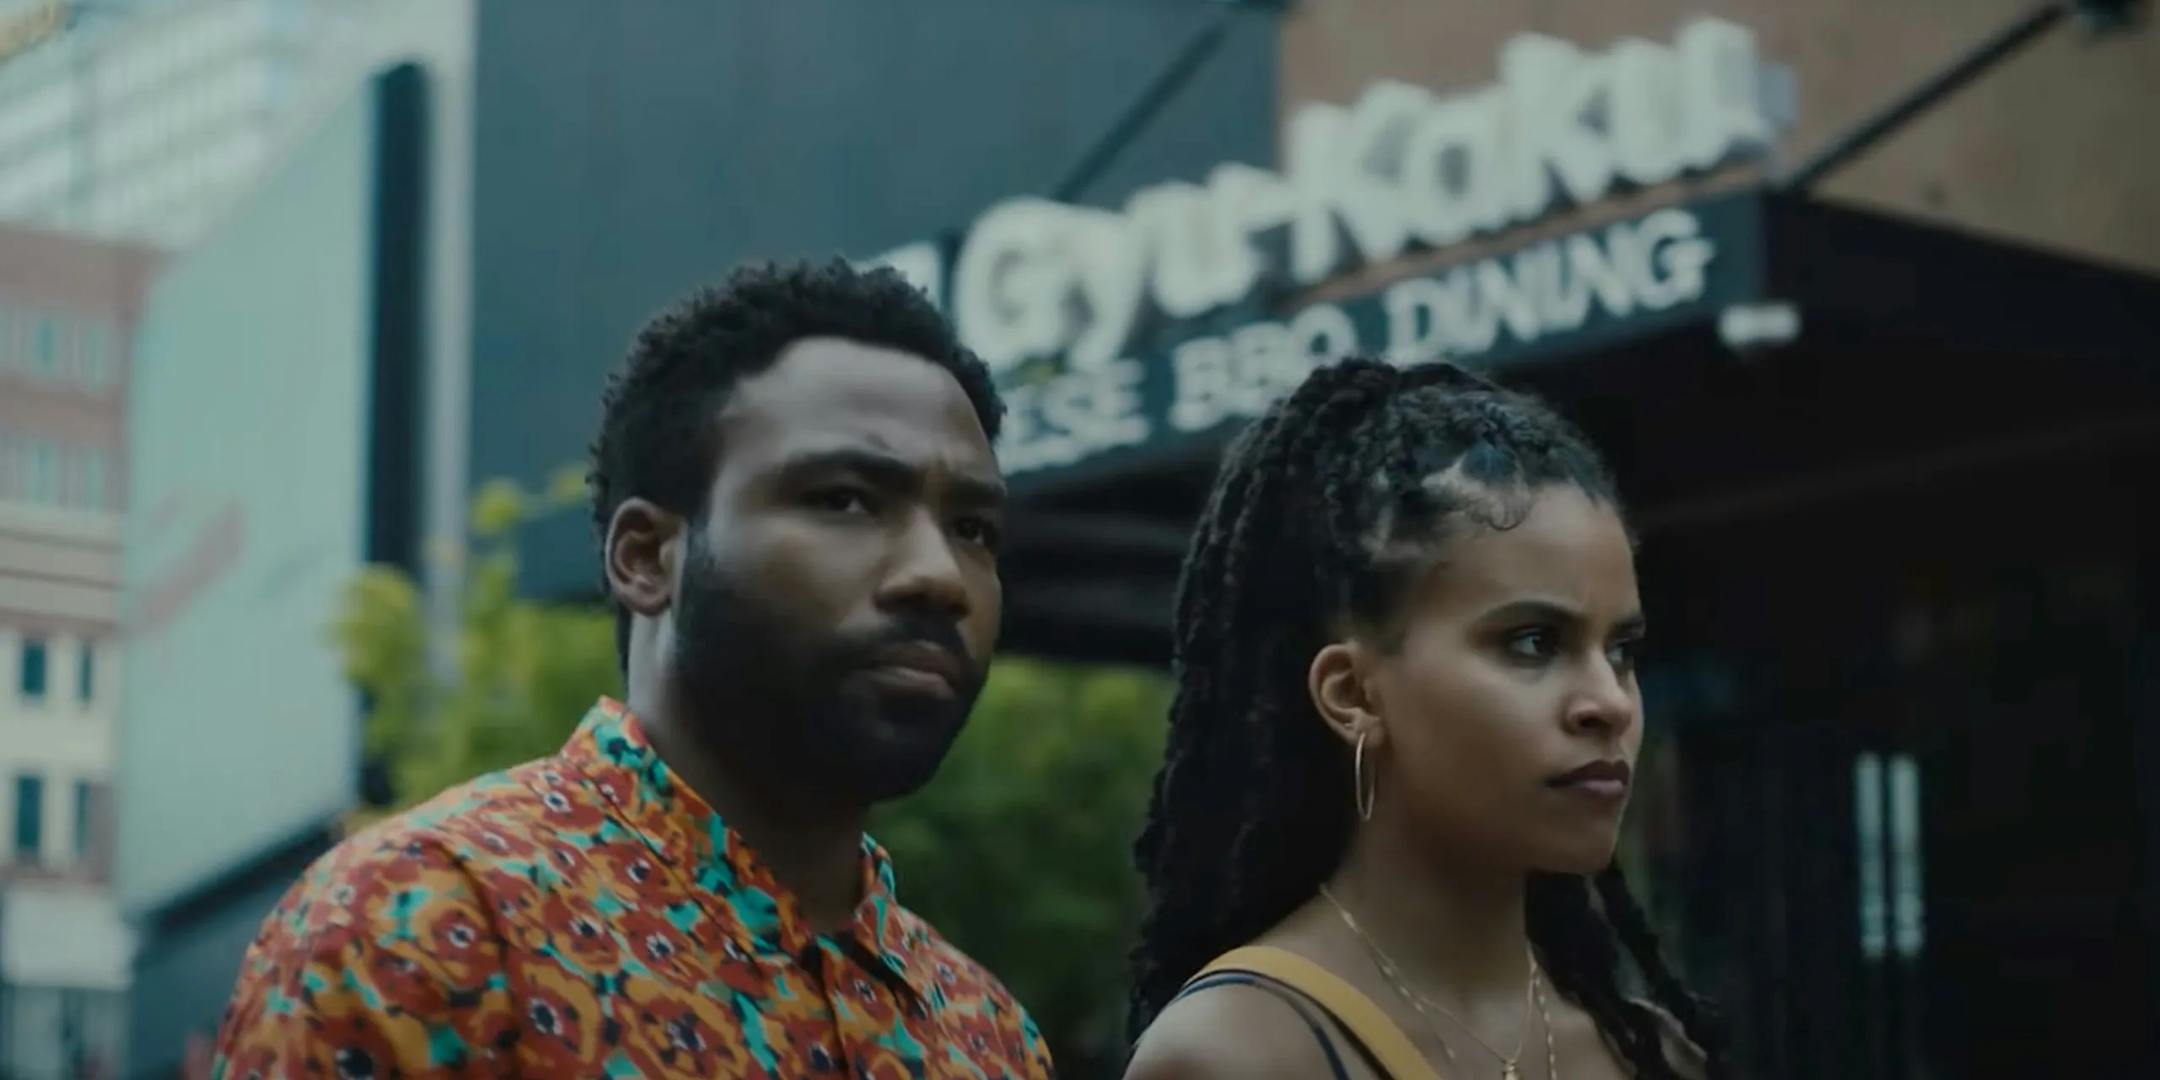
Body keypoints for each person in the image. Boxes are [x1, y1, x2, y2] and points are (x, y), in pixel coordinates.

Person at [214, 261, 1055, 1079]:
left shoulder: (987, 1036)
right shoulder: (421, 925)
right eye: (844, 499)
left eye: (973, 529)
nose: (940, 575)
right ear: (647, 557)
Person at [1122, 359, 1724, 1080]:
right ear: (1353, 694)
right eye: (1534, 642)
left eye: (1621, 651)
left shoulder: (1655, 1053)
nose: (1611, 702)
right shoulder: (1234, 1056)